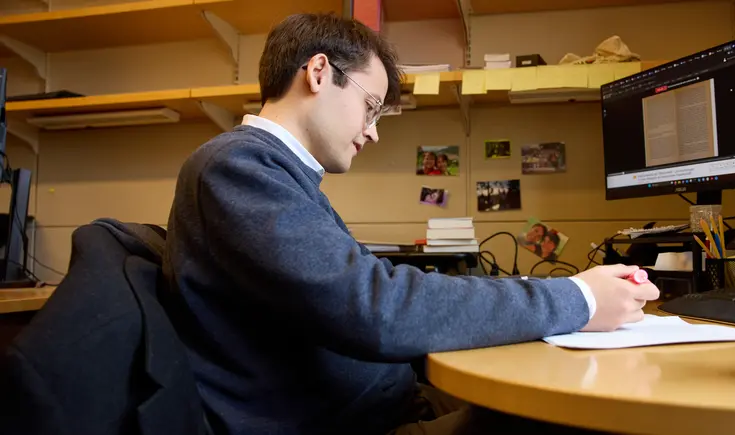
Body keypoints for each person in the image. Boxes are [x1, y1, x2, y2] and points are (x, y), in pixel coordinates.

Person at [163, 12, 659, 435]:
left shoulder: (271, 173)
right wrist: (579, 298)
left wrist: (545, 297)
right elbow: (375, 307)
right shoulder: (238, 168)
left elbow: (374, 296)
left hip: (376, 405)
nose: (373, 132)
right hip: (352, 423)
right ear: (318, 72)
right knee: (578, 415)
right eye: (371, 106)